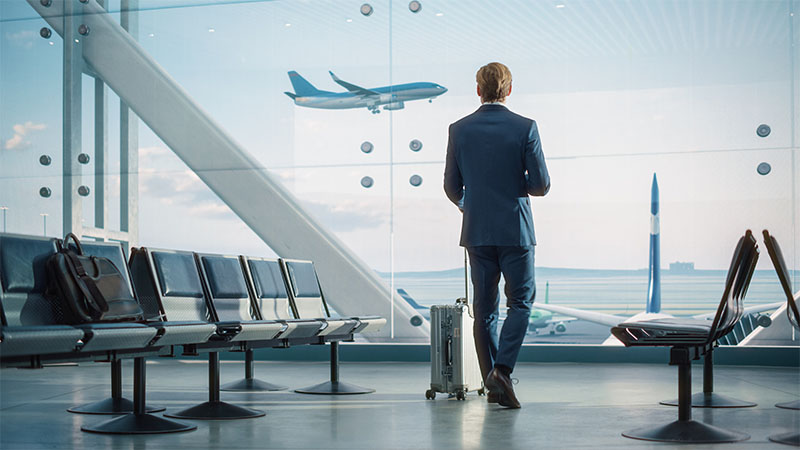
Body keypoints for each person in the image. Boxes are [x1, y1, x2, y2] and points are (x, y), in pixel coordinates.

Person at [443, 62, 550, 409]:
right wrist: (514, 182)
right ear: (509, 90)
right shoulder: (525, 127)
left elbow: (451, 187)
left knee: (485, 309)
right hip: (516, 230)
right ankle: (502, 371)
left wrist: (470, 205)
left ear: (478, 90)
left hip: (477, 231)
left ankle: (493, 387)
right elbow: (541, 185)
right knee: (520, 303)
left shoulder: (459, 129)